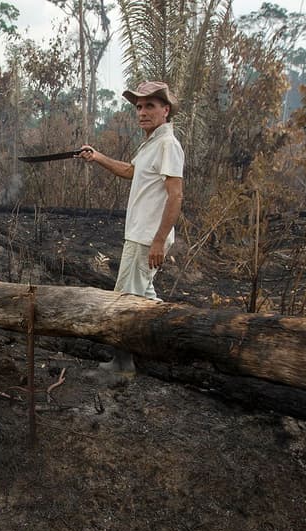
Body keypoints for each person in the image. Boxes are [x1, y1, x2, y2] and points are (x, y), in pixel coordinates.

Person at [79, 80, 184, 375]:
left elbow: (176, 195)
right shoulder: (151, 143)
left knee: (124, 300)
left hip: (146, 238)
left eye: (149, 105)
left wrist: (159, 241)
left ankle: (123, 364)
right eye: (138, 107)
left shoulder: (167, 144)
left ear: (166, 110)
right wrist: (97, 156)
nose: (142, 112)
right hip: (139, 235)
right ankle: (176, 339)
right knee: (143, 298)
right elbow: (129, 170)